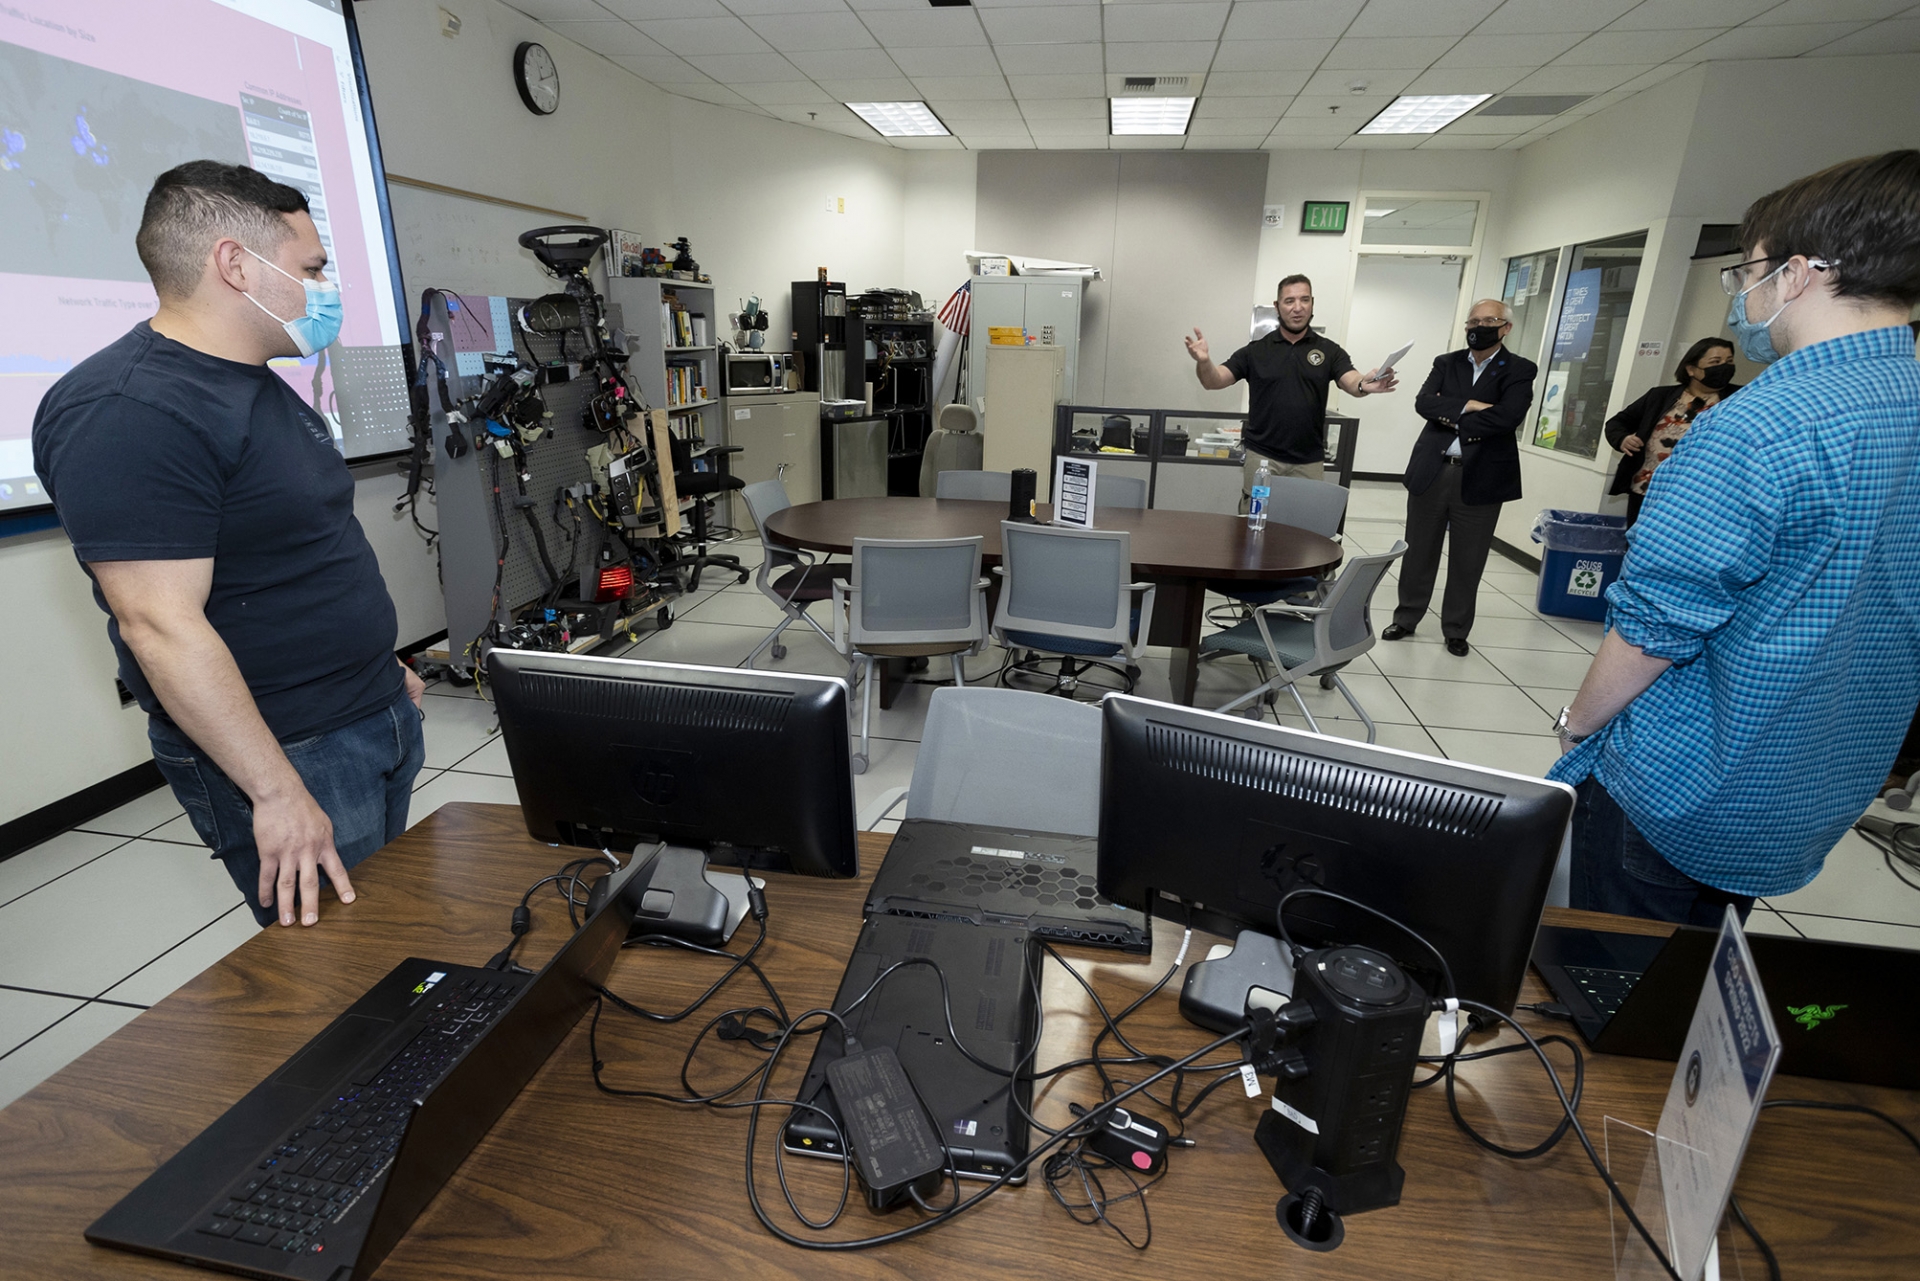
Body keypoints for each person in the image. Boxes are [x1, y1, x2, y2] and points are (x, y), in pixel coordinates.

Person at [32, 161, 424, 930]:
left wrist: (379, 667)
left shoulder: (253, 379)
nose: (324, 287)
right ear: (236, 264)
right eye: (311, 268)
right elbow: (159, 624)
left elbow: (300, 548)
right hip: (290, 751)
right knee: (338, 974)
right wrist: (275, 791)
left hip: (369, 708)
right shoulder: (129, 409)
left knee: (389, 938)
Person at [1549, 150, 1920, 926]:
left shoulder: (1760, 424)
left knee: (1603, 995)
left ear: (1795, 274)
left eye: (1745, 271)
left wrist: (1577, 726)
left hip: (1688, 784)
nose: (1742, 296)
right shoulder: (1905, 396)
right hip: (1807, 781)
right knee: (1689, 998)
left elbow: (1655, 626)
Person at [1382, 299, 1537, 657]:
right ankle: (1406, 618)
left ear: (1506, 328)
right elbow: (1424, 403)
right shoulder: (1446, 362)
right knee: (1418, 551)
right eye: (1474, 320)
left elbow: (1508, 417)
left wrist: (1450, 410)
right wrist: (1470, 406)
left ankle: (1455, 629)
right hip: (1432, 471)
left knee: (1469, 559)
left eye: (1489, 320)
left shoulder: (1520, 369)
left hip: (1481, 476)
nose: (1478, 326)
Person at [1185, 274, 1396, 496]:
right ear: (1277, 306)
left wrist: (1366, 383)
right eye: (1289, 301)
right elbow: (1213, 380)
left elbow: (1352, 381)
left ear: (1312, 303)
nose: (1298, 307)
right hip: (1262, 457)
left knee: (1304, 525)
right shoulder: (1255, 351)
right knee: (1256, 521)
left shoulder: (1330, 351)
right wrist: (1204, 361)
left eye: (1304, 300)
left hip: (1309, 461)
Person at [1604, 338, 1741, 525]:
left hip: (1705, 498)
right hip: (1648, 490)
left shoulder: (1741, 399)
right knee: (1639, 546)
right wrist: (1623, 439)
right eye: (1715, 362)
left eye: (1729, 361)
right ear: (1691, 369)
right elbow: (1617, 423)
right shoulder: (1659, 397)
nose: (1724, 367)